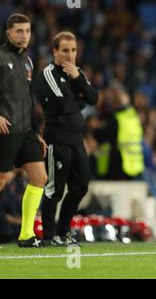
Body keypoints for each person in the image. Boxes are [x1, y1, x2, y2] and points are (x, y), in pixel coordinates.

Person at [33, 31, 98, 245]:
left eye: (73, 50)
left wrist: (77, 79)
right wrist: (78, 94)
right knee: (54, 189)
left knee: (81, 186)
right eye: (65, 51)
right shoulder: (47, 74)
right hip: (57, 139)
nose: (70, 55)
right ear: (55, 52)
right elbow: (63, 105)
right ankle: (49, 236)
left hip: (76, 141)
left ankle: (63, 232)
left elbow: (93, 98)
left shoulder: (76, 73)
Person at [0, 13, 48, 247]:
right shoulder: (1, 57)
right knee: (1, 179)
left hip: (27, 130)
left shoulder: (27, 61)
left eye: (27, 31)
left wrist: (37, 132)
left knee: (40, 178)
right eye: (19, 31)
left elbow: (29, 99)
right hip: (6, 128)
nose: (24, 36)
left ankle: (26, 234)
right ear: (8, 32)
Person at [94, 86, 144, 180]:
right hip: (134, 167)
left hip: (118, 168)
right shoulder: (134, 116)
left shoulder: (116, 119)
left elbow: (102, 137)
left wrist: (96, 129)